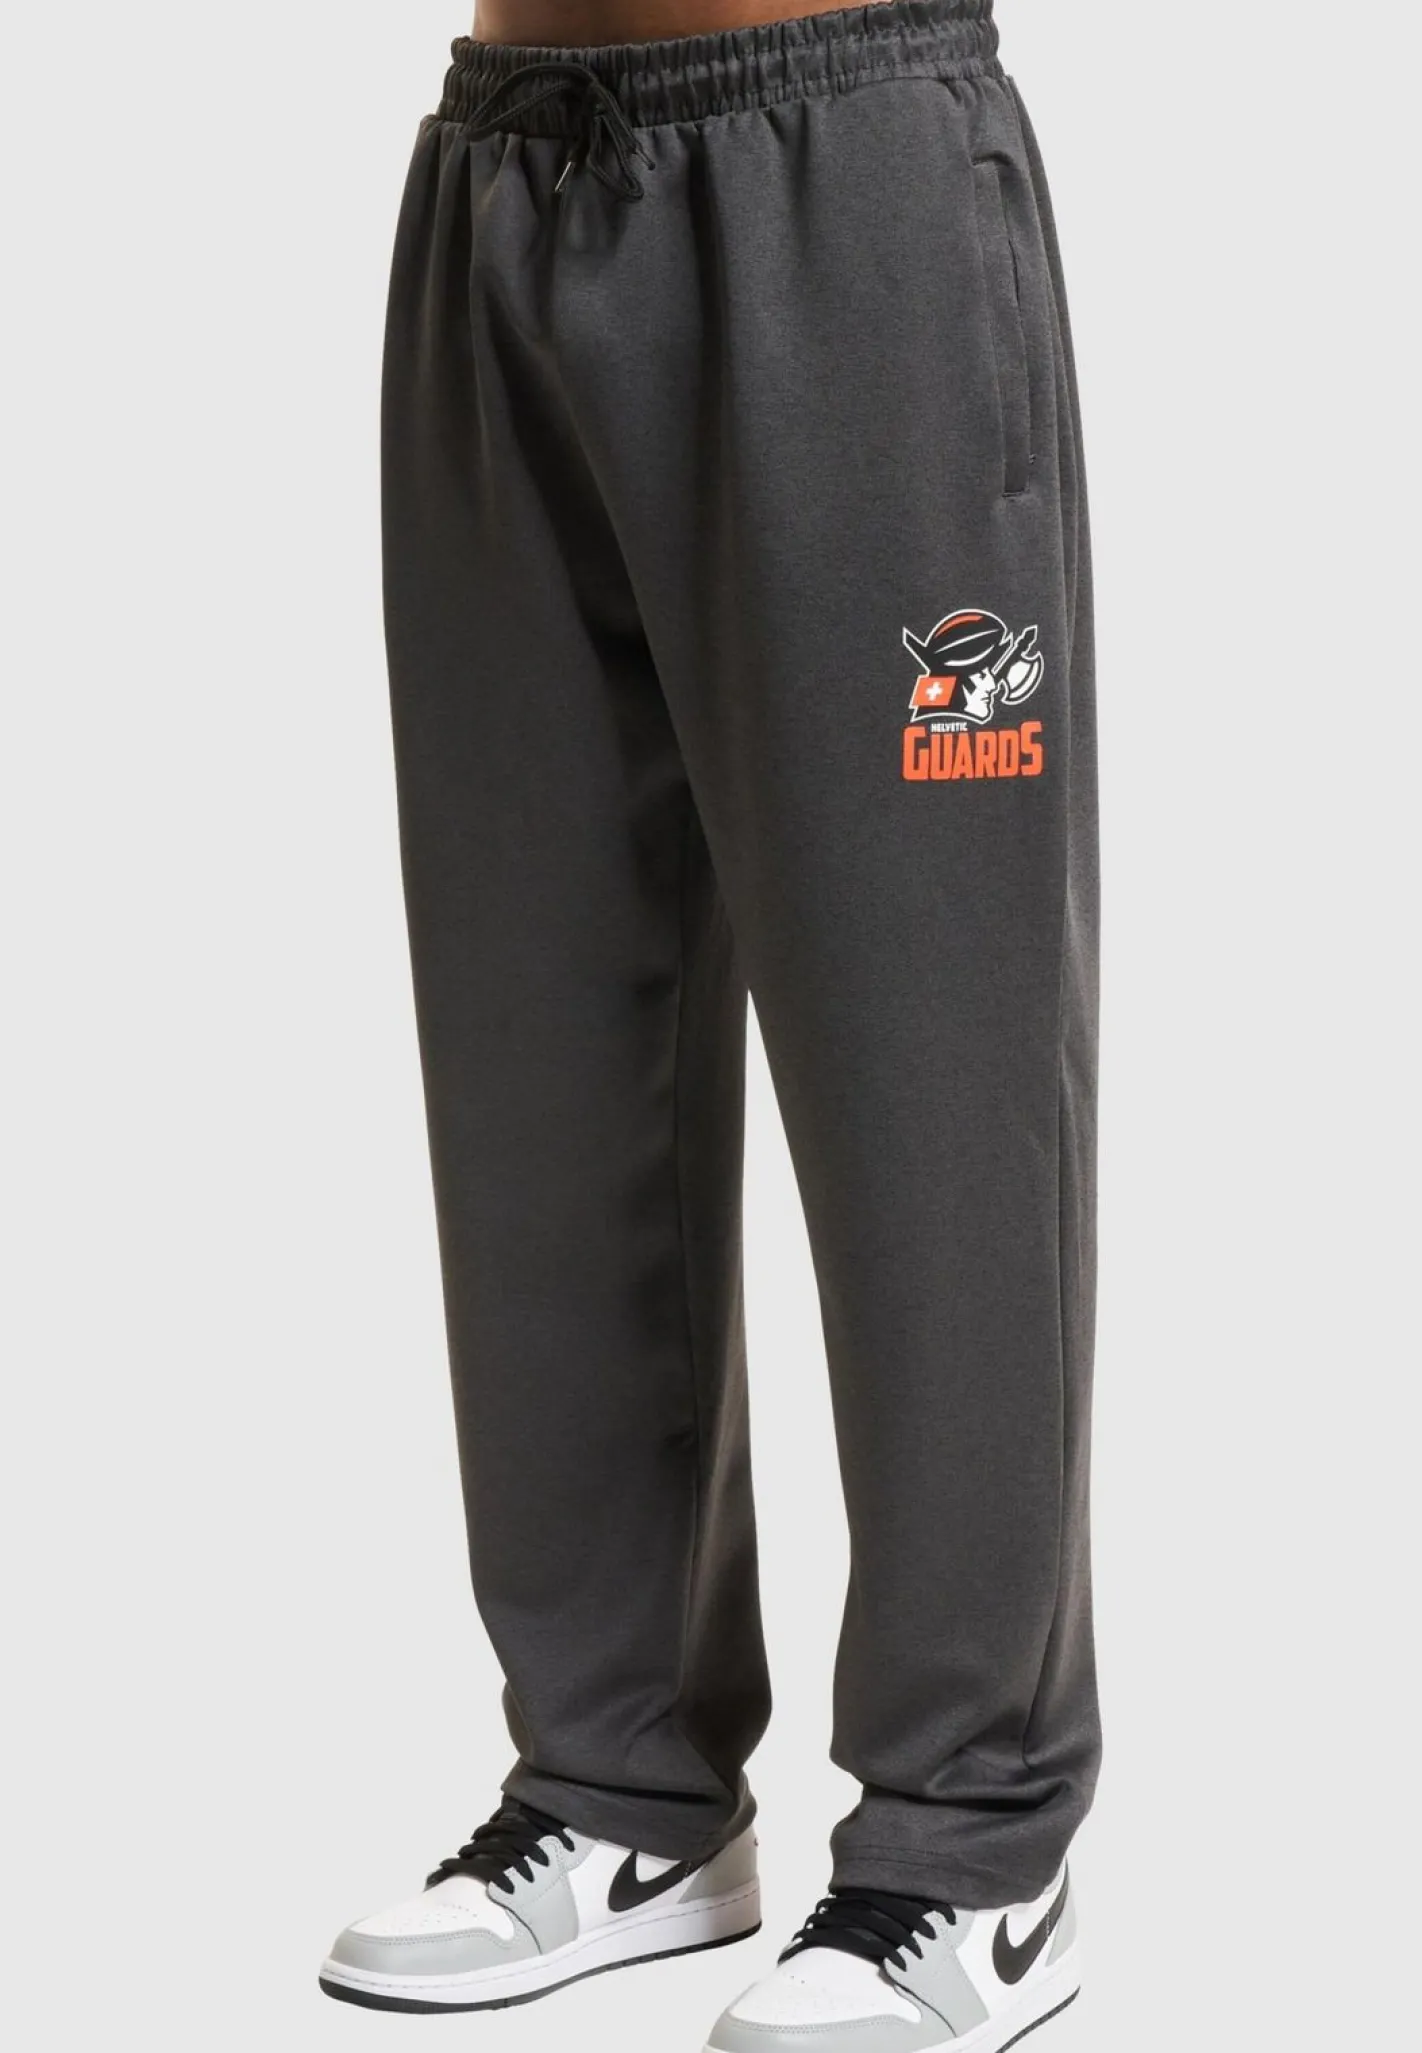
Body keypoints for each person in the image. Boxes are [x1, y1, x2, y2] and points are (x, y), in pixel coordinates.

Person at [320, 1, 1100, 2045]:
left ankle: (976, 1845)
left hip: (842, 167)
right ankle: (622, 1789)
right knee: (539, 1051)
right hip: (502, 172)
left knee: (931, 1070)